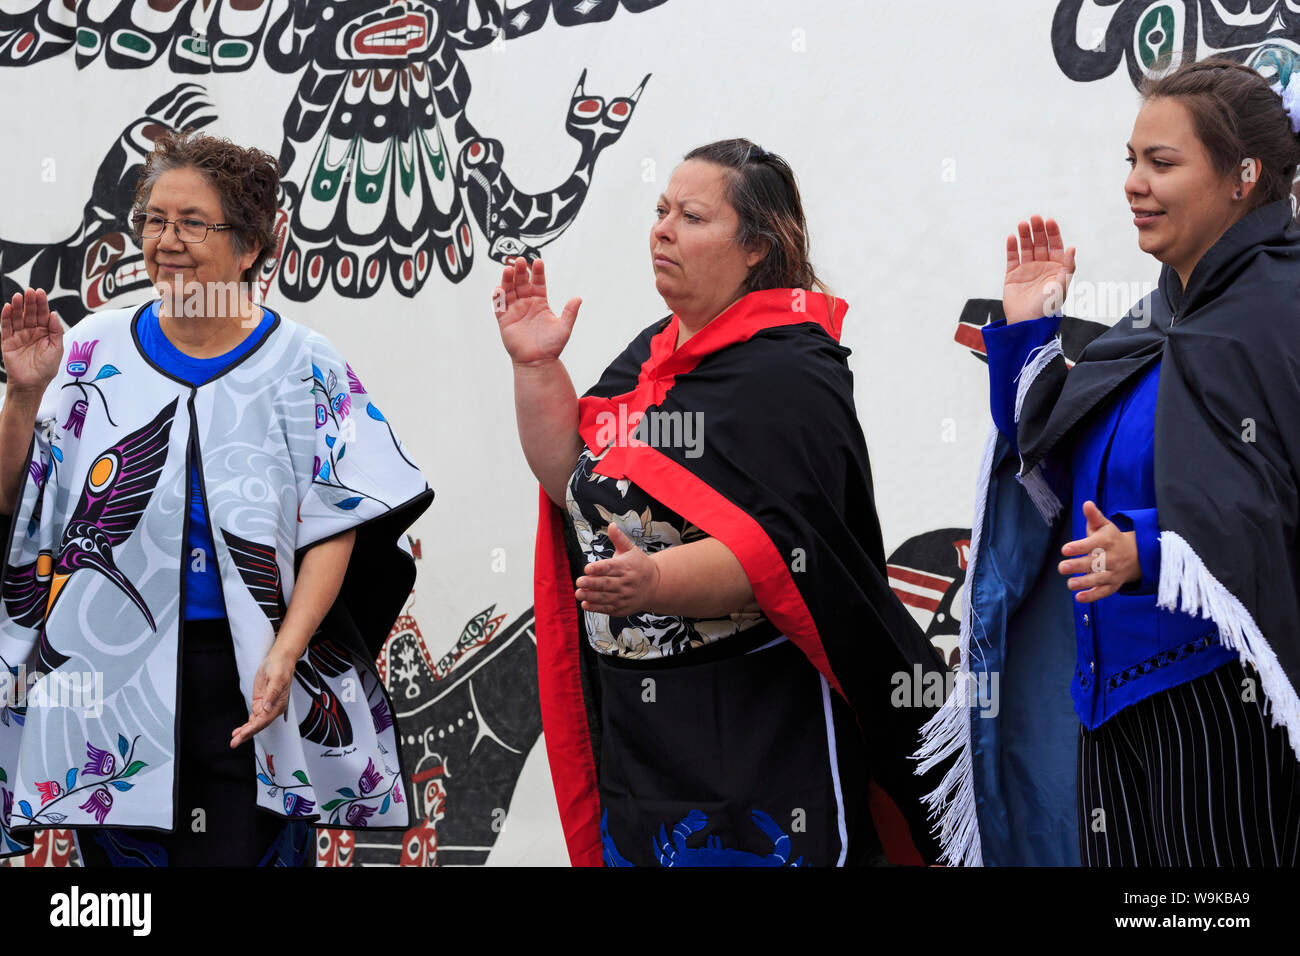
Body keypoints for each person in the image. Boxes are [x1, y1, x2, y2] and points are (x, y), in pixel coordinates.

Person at [496, 138, 948, 867]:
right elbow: (569, 482)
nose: (663, 229)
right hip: (641, 735)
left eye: (693, 216)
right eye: (660, 210)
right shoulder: (649, 357)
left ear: (756, 249)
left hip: (756, 727)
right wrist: (537, 366)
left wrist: (655, 582)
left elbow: (788, 552)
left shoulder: (791, 369)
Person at [0, 131, 432, 865]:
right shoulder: (91, 348)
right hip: (108, 685)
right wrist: (24, 395)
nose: (166, 241)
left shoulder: (304, 362)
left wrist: (288, 649)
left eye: (192, 223)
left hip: (253, 677)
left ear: (252, 245)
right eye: (153, 220)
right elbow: (18, 501)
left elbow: (338, 516)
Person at [918, 57, 1300, 866]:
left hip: (1226, 706)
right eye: (1130, 160)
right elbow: (1048, 462)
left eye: (1162, 163)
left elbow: (1274, 500)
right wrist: (1027, 327)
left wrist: (1153, 552)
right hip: (1109, 709)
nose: (1134, 182)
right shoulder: (1158, 319)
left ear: (1243, 177)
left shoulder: (1279, 313)